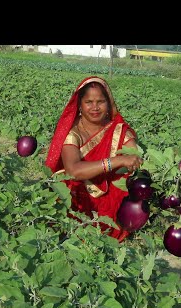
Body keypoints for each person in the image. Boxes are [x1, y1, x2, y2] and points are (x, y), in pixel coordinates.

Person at [45, 76, 143, 242]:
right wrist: (117, 161)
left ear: (109, 103)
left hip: (111, 198)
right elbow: (73, 171)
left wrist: (132, 161)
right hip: (80, 198)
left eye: (101, 101)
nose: (95, 107)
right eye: (89, 102)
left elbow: (135, 158)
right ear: (80, 106)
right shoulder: (73, 134)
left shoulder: (118, 130)